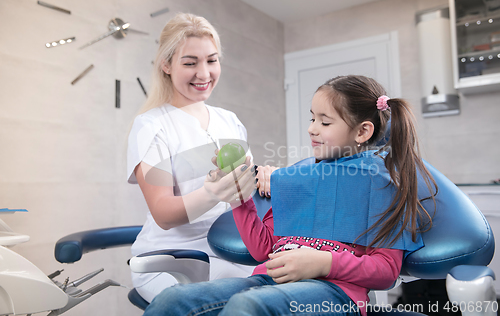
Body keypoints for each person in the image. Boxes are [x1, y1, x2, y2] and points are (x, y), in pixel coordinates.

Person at [142, 75, 438, 316]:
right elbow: (264, 250)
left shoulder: (381, 187)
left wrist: (324, 263)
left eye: (324, 122)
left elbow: (386, 271)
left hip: (336, 294)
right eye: (312, 119)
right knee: (172, 300)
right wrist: (239, 197)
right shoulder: (296, 180)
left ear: (362, 132)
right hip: (268, 281)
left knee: (248, 306)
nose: (311, 129)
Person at [126, 13, 257, 303]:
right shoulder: (151, 126)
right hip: (172, 259)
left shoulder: (230, 121)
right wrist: (210, 193)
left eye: (211, 60)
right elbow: (163, 213)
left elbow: (246, 193)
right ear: (166, 65)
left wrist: (263, 182)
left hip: (233, 251)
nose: (204, 73)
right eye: (190, 63)